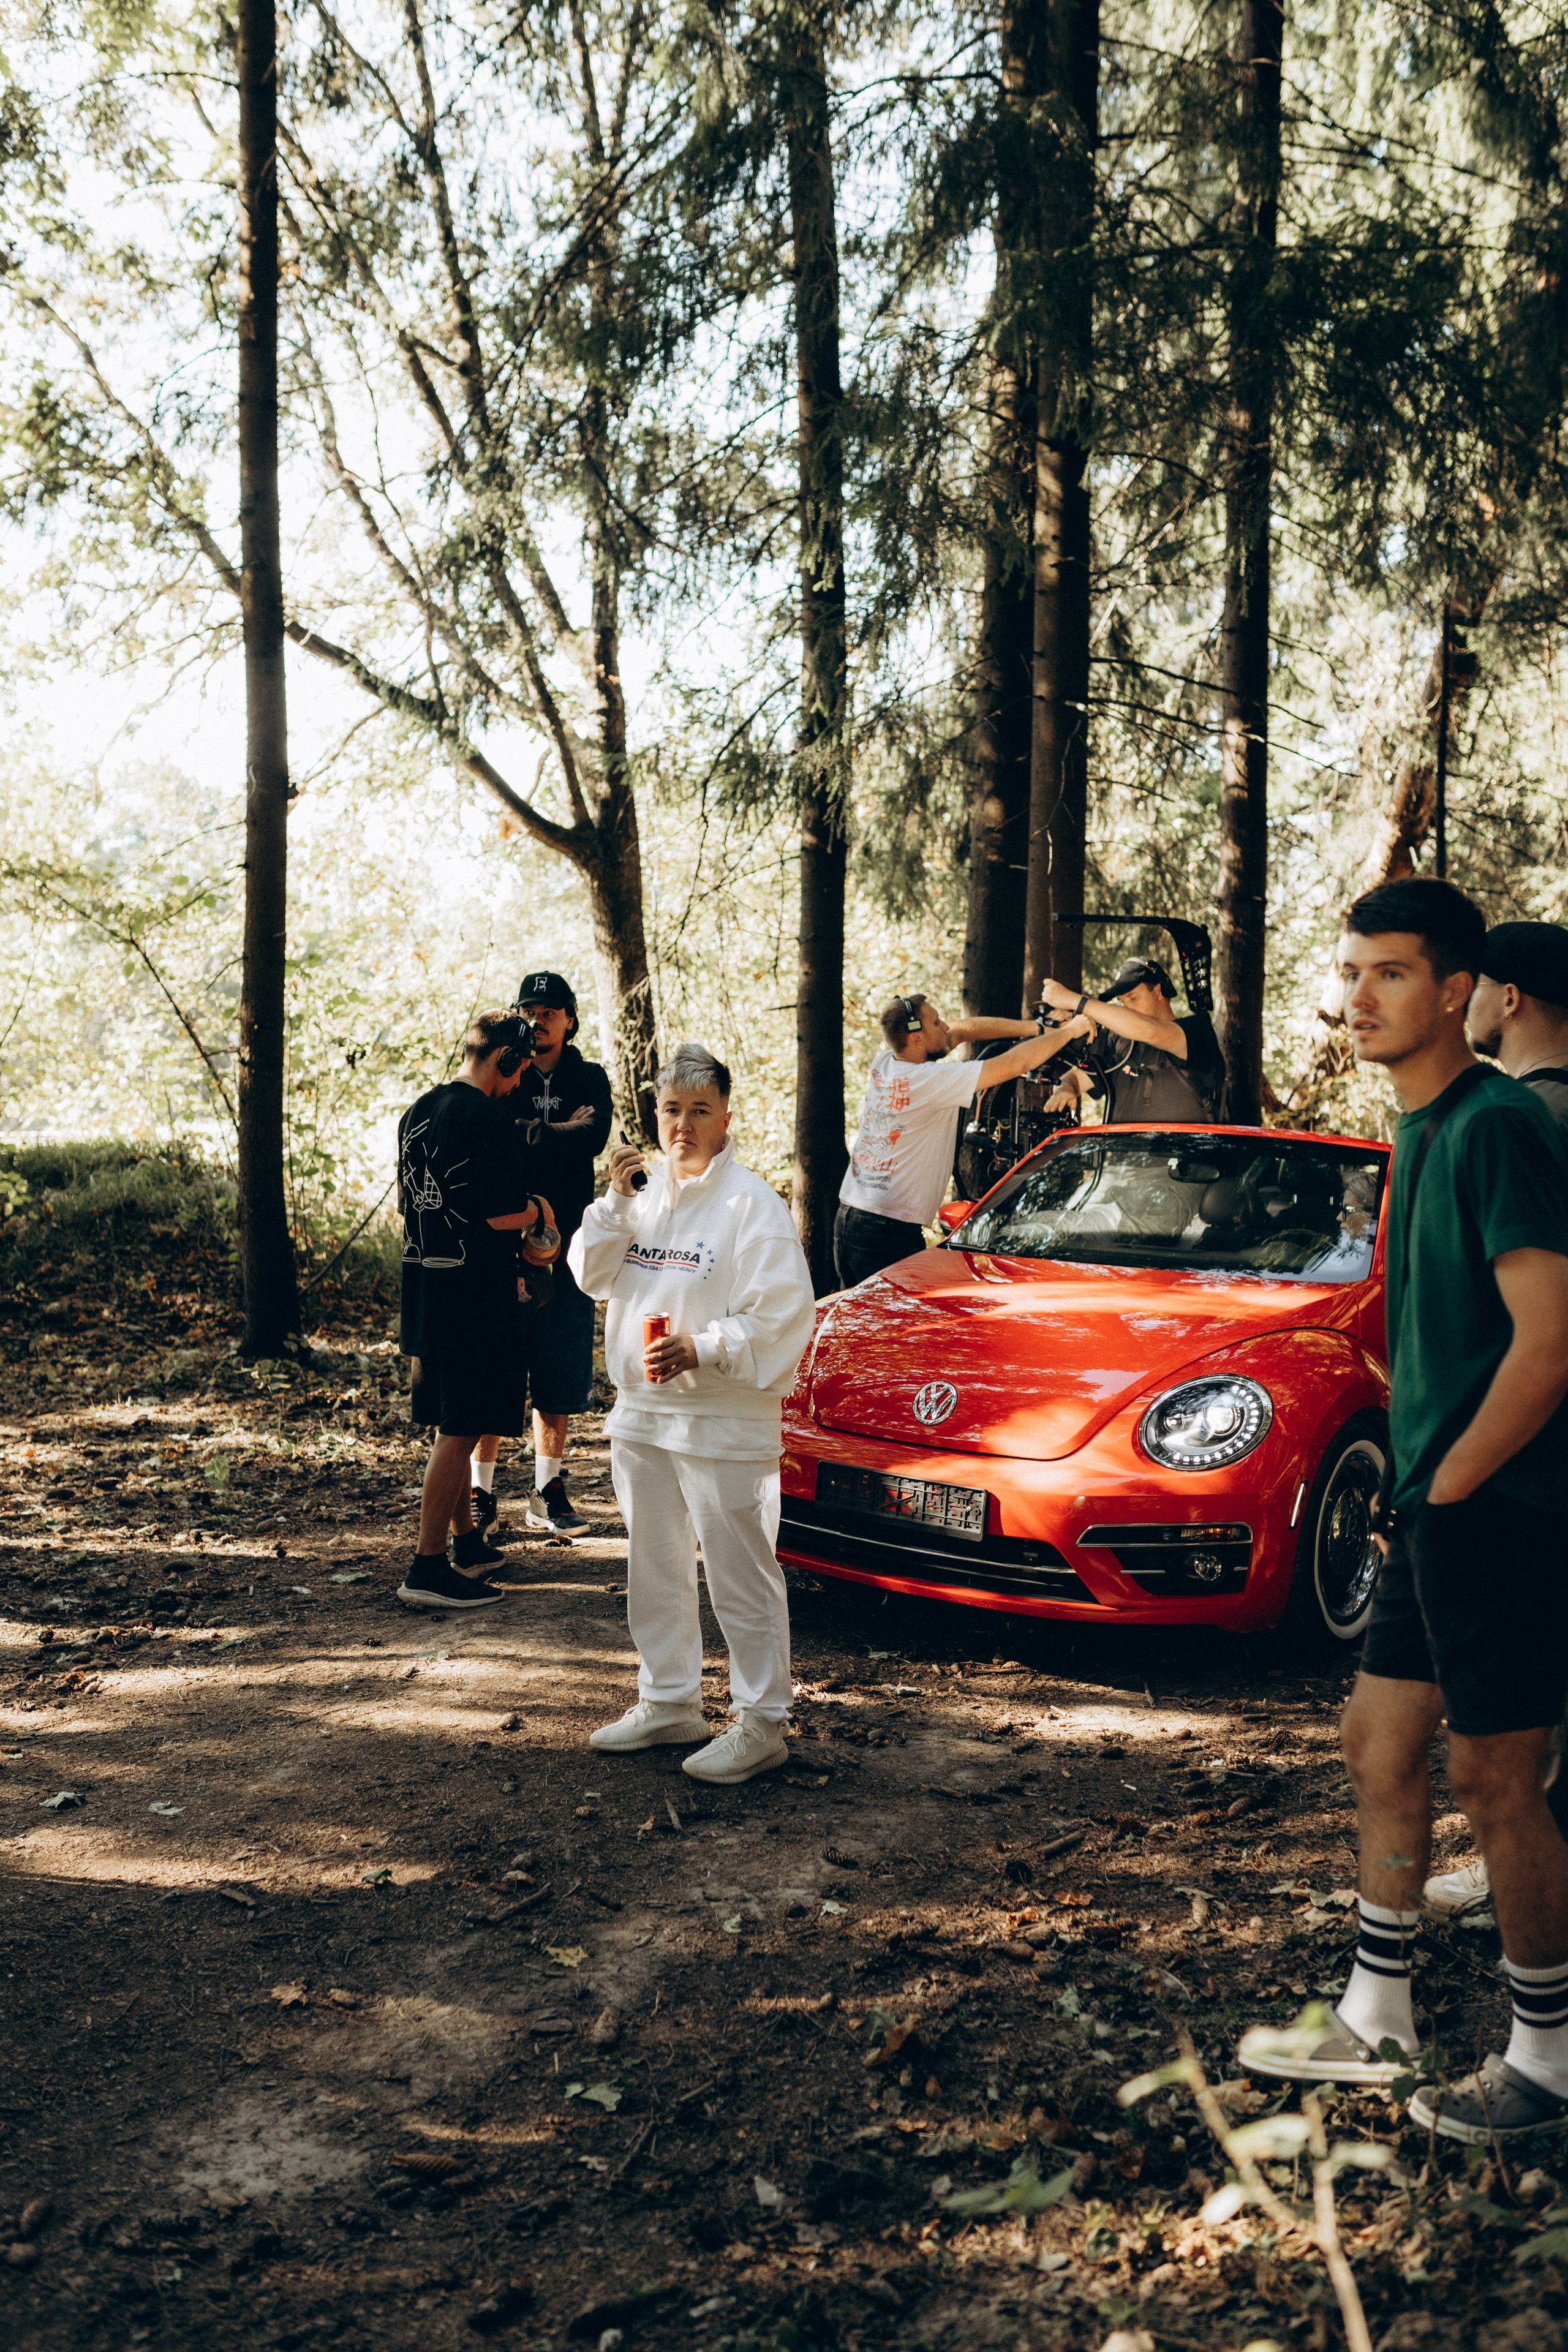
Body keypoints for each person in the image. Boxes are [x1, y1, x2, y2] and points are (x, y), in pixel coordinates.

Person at [1236, 876, 1568, 2144]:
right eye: (1350, 970)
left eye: (1388, 974)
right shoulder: (1413, 1130)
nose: (1357, 996)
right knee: (1377, 1743)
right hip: (1437, 1506)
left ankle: (1543, 2062)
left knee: (1494, 1779)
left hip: (1501, 1506)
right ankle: (1377, 2017)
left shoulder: (1494, 1126)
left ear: (1456, 992)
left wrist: (1458, 1485)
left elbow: (1547, 1343)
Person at [567, 1044, 816, 1784]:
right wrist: (612, 1204)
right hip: (642, 1411)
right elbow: (588, 1274)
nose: (682, 1125)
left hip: (723, 1416)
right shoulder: (640, 1198)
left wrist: (705, 1347)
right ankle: (670, 1698)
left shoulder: (751, 1205)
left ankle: (763, 1720)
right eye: (671, 1110)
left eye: (699, 1111)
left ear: (725, 1119)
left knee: (739, 1570)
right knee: (656, 1563)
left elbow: (783, 1313)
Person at [1424, 918, 1568, 1917]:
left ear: (1507, 998)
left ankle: (1528, 1874)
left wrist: (1454, 1475)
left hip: (1530, 1460)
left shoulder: (1521, 1118)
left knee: (1510, 1729)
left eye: (1475, 986)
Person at [396, 1011, 558, 1611]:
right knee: (460, 1430)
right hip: (471, 1300)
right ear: (507, 1059)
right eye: (520, 1071)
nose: (519, 1085)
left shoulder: (419, 1111)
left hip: (424, 1291)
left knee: (452, 1423)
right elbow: (497, 1215)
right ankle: (427, 1565)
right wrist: (540, 1211)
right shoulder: (485, 1116)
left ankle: (466, 1542)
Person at [470, 972, 613, 1543]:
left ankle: (546, 1489)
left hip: (571, 1245)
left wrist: (529, 1131)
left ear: (571, 1019)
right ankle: (481, 1491)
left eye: (552, 1010)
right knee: (495, 1370)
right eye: (530, 1009)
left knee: (557, 1374)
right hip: (505, 1244)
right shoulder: (508, 1073)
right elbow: (494, 1135)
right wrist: (553, 1132)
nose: (540, 1019)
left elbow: (593, 1134)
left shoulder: (590, 1076)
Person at [834, 995, 1093, 1288]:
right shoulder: (928, 1080)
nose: (945, 1026)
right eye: (936, 1022)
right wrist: (1070, 1031)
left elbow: (961, 1031)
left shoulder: (886, 1062)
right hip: (885, 1231)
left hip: (852, 1219)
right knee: (898, 1327)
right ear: (917, 1038)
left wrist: (1038, 1028)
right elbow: (1015, 1062)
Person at [1036, 957, 1226, 1124]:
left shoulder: (1197, 1031)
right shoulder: (1122, 1044)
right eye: (1122, 1002)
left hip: (1186, 1160)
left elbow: (1151, 1031)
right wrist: (1066, 1089)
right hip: (1124, 1162)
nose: (1126, 1008)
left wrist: (1076, 1002)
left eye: (1132, 998)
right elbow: (1074, 1077)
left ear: (1159, 991)